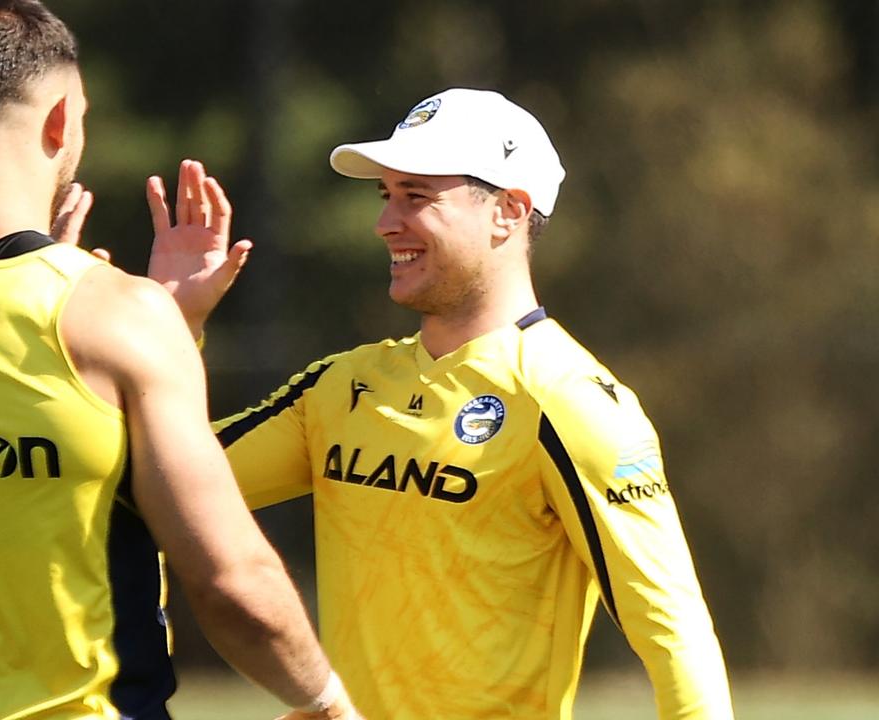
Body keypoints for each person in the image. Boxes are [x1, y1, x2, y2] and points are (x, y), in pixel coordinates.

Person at [0, 2, 361, 718]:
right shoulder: (113, 316)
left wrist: (160, 323)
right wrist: (328, 702)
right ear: (62, 122)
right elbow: (230, 580)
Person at [139, 89, 736, 719]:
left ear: (509, 211)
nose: (386, 222)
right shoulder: (341, 386)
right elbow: (157, 485)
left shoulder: (571, 400)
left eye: (417, 197)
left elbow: (673, 631)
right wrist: (172, 326)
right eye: (385, 196)